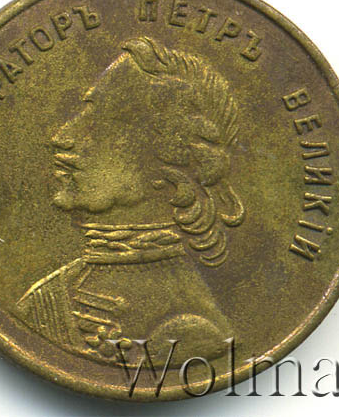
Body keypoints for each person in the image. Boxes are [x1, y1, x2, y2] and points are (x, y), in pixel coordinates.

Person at [17, 37, 244, 365]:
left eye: (96, 119)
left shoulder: (191, 331)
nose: (62, 137)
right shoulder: (53, 295)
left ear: (168, 157)